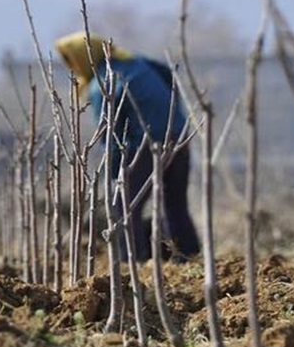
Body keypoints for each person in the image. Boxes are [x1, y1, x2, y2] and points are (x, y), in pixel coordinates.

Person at [55, 32, 200, 263]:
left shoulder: (102, 83)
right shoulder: (139, 63)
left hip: (144, 145)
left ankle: (132, 262)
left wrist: (114, 174)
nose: (72, 69)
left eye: (71, 62)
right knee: (175, 203)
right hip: (179, 137)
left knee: (123, 207)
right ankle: (188, 257)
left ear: (84, 57)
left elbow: (109, 133)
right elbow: (169, 79)